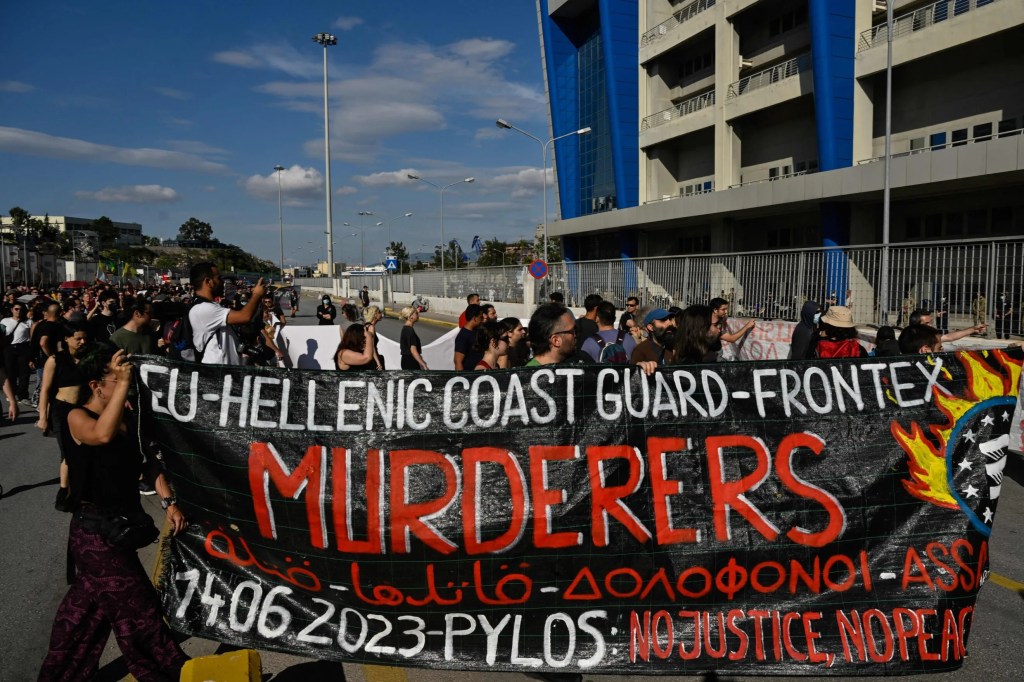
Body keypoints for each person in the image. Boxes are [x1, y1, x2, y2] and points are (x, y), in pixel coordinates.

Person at [39, 345, 188, 681]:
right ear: (96, 384)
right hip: (94, 535)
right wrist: (122, 384)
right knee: (140, 610)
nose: (128, 382)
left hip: (118, 531)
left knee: (82, 616)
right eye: (118, 377)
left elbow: (148, 462)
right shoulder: (76, 417)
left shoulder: (127, 418)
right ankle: (168, 673)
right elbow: (100, 435)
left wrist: (169, 502)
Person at [37, 322, 89, 508]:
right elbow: (45, 390)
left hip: (84, 409)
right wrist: (43, 416)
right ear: (66, 339)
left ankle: (83, 490)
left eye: (84, 338)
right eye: (78, 338)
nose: (82, 341)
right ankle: (65, 491)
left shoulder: (88, 358)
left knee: (84, 448)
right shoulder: (55, 360)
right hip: (62, 410)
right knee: (67, 452)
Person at [188, 262, 265, 365]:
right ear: (208, 282)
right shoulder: (203, 308)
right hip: (216, 375)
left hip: (227, 375)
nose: (222, 282)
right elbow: (244, 316)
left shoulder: (211, 306)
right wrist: (257, 295)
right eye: (219, 278)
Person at [1, 301, 33, 405]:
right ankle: (12, 394)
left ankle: (23, 395)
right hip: (9, 348)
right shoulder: (5, 321)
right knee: (10, 372)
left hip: (23, 347)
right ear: (11, 310)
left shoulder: (28, 322)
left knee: (24, 372)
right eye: (16, 309)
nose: (18, 311)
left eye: (20, 309)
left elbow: (30, 337)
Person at [908, 307, 986, 343]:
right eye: (926, 323)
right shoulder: (907, 340)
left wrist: (973, 329)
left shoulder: (931, 338)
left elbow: (949, 337)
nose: (930, 326)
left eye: (931, 322)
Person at [454, 303, 485, 371]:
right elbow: (458, 361)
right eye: (481, 317)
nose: (482, 319)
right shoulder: (463, 336)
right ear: (474, 318)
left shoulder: (476, 331)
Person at [363, 305, 385, 370]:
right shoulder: (371, 327)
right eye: (379, 312)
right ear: (375, 314)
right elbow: (372, 347)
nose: (381, 314)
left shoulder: (366, 325)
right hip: (372, 359)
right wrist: (378, 363)